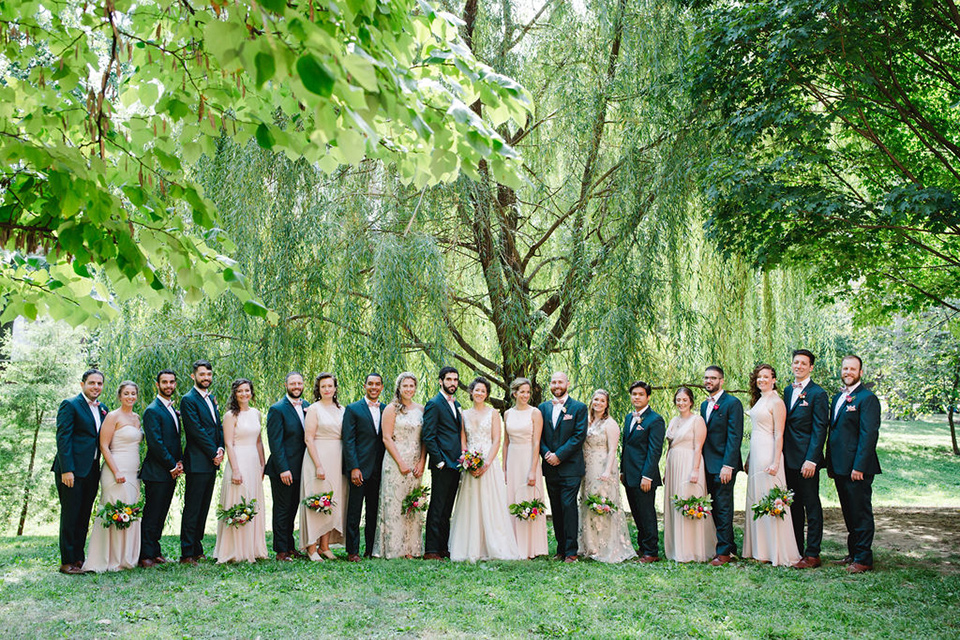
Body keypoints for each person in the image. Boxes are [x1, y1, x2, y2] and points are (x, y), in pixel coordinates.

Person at [449, 377, 520, 561]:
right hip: (470, 463)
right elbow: (463, 439)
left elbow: (497, 439)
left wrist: (487, 462)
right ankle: (470, 545)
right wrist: (467, 459)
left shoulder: (494, 414)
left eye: (483, 391)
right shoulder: (463, 414)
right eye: (477, 390)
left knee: (490, 502)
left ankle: (494, 545)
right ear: (471, 392)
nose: (479, 393)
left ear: (487, 394)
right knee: (470, 503)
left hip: (488, 461)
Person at [827, 355, 881, 574]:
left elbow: (869, 436)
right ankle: (853, 553)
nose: (848, 372)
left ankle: (864, 558)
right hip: (840, 467)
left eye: (852, 369)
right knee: (849, 512)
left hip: (857, 469)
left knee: (861, 513)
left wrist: (859, 466)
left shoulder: (867, 399)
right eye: (845, 368)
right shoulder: (837, 397)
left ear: (860, 372)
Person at [742, 364, 801, 567]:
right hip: (757, 452)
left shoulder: (776, 402)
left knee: (770, 497)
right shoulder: (760, 399)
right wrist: (749, 457)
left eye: (766, 377)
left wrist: (776, 461)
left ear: (774, 379)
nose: (762, 380)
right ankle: (759, 549)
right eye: (759, 377)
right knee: (757, 498)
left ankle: (775, 549)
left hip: (769, 453)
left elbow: (779, 434)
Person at [83, 381, 143, 572]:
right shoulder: (112, 416)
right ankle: (109, 558)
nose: (130, 397)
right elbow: (104, 446)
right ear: (120, 396)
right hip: (115, 469)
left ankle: (126, 557)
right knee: (114, 510)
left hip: (133, 472)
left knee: (130, 511)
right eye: (126, 394)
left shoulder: (136, 418)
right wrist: (116, 470)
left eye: (133, 394)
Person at [52, 369, 108, 574]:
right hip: (71, 471)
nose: (96, 387)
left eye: (99, 383)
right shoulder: (70, 405)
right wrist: (67, 470)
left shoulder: (103, 408)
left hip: (92, 470)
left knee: (84, 515)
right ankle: (67, 561)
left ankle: (78, 559)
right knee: (71, 515)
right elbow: (63, 439)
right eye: (92, 383)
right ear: (82, 384)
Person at [783, 349, 829, 569]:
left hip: (806, 461)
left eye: (803, 363)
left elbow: (820, 429)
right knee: (793, 505)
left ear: (811, 367)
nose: (799, 366)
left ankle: (813, 553)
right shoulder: (786, 390)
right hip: (788, 459)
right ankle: (796, 550)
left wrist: (812, 459)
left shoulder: (817, 394)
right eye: (796, 362)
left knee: (811, 505)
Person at [372, 372, 426, 559]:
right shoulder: (391, 409)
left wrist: (421, 462)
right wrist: (401, 463)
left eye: (412, 386)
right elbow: (386, 438)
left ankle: (411, 548)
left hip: (415, 461)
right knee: (395, 503)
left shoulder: (421, 409)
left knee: (412, 503)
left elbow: (423, 439)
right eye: (405, 386)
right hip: (395, 461)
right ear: (399, 388)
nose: (409, 389)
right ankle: (394, 549)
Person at [214, 379, 268, 563]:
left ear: (251, 392)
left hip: (254, 462)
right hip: (239, 461)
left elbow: (259, 441)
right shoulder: (230, 416)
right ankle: (235, 549)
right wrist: (235, 470)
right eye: (240, 391)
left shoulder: (256, 413)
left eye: (247, 390)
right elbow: (228, 443)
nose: (244, 394)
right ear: (235, 394)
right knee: (238, 500)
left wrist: (262, 464)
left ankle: (253, 547)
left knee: (252, 501)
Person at [538, 371, 588, 562]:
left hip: (570, 467)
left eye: (560, 382)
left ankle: (571, 551)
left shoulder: (579, 408)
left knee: (568, 506)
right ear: (550, 385)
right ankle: (560, 548)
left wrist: (559, 455)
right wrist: (547, 454)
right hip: (550, 467)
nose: (557, 385)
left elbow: (578, 436)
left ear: (568, 383)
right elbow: (539, 436)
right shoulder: (542, 408)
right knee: (556, 507)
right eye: (553, 382)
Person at [578, 389, 633, 563]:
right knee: (587, 502)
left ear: (607, 404)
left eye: (602, 400)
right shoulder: (587, 421)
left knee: (601, 501)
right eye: (596, 399)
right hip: (587, 466)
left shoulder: (610, 423)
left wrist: (607, 472)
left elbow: (612, 451)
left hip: (602, 466)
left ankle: (605, 546)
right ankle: (588, 545)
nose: (598, 403)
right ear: (591, 401)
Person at [663, 387, 716, 563]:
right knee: (675, 504)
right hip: (673, 464)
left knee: (688, 500)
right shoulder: (673, 420)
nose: (681, 403)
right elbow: (669, 448)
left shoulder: (697, 420)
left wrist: (695, 469)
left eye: (684, 400)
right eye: (678, 400)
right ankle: (676, 548)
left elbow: (698, 447)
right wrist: (665, 470)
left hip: (689, 463)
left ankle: (692, 550)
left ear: (691, 401)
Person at [179, 359, 224, 565]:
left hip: (211, 461)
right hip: (198, 461)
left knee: (204, 506)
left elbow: (217, 427)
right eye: (202, 374)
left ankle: (197, 548)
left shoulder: (211, 398)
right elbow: (195, 430)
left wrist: (221, 447)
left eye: (209, 374)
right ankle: (187, 552)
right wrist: (212, 452)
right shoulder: (188, 400)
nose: (206, 378)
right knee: (193, 507)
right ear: (193, 376)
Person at [299, 372, 347, 560]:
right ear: (318, 390)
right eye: (323, 386)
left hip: (337, 457)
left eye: (330, 386)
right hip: (317, 456)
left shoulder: (342, 409)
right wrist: (318, 465)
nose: (327, 389)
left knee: (331, 501)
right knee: (316, 499)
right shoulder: (313, 409)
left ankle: (325, 546)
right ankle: (311, 547)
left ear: (335, 388)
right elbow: (308, 438)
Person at [139, 370, 183, 567]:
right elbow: (155, 443)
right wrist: (172, 464)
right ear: (157, 385)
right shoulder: (152, 410)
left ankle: (155, 551)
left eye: (171, 382)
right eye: (164, 382)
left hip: (169, 471)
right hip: (157, 471)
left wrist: (179, 462)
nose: (168, 385)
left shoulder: (172, 409)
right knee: (152, 513)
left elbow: (174, 440)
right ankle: (145, 555)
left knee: (161, 513)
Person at [700, 365, 743, 566]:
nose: (709, 381)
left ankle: (724, 553)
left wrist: (728, 465)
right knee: (715, 507)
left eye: (713, 378)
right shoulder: (703, 405)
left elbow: (735, 437)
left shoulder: (732, 403)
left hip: (724, 465)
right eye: (707, 378)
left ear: (722, 381)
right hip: (706, 464)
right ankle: (729, 546)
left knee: (724, 507)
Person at [265, 372, 309, 562]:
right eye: (293, 383)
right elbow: (275, 442)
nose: (296, 386)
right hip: (282, 469)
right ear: (286, 385)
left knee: (293, 508)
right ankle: (281, 550)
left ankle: (290, 547)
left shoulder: (308, 407)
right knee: (282, 509)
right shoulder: (277, 409)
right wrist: (283, 468)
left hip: (302, 467)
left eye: (299, 383)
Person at [342, 373, 386, 562]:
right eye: (370, 384)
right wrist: (354, 467)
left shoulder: (387, 409)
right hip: (359, 469)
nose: (374, 387)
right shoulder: (353, 409)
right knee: (354, 511)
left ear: (382, 387)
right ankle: (352, 551)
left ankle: (370, 549)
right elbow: (348, 441)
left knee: (373, 511)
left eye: (377, 384)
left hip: (380, 468)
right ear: (364, 386)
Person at [502, 377, 548, 559]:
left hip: (529, 458)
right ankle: (513, 546)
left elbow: (537, 442)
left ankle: (531, 548)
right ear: (514, 393)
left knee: (529, 496)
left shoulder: (535, 413)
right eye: (522, 392)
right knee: (512, 498)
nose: (526, 395)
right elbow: (505, 443)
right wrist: (504, 468)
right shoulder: (507, 414)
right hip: (512, 459)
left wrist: (532, 469)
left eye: (528, 392)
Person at [422, 366, 464, 560]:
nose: (452, 383)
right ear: (441, 381)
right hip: (442, 465)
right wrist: (438, 461)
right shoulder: (434, 404)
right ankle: (431, 549)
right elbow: (428, 436)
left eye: (455, 380)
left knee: (447, 508)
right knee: (437, 507)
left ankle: (443, 548)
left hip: (456, 464)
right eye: (449, 379)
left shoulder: (456, 404)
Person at [620, 381, 666, 562]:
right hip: (629, 474)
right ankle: (642, 546)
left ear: (648, 397)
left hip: (644, 476)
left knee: (646, 512)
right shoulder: (628, 417)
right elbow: (626, 446)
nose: (636, 397)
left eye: (640, 394)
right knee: (637, 512)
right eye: (634, 394)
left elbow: (655, 450)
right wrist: (622, 470)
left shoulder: (655, 419)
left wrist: (647, 475)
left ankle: (651, 551)